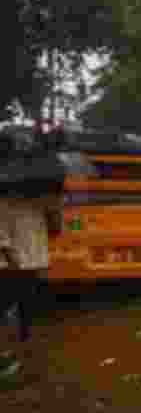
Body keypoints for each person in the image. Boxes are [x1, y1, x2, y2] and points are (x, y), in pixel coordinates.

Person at [0, 132, 59, 342]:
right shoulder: (5, 204)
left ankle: (24, 339)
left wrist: (54, 214)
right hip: (11, 265)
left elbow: (54, 232)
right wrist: (14, 263)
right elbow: (2, 238)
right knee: (8, 302)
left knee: (27, 305)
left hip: (32, 262)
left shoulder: (40, 205)